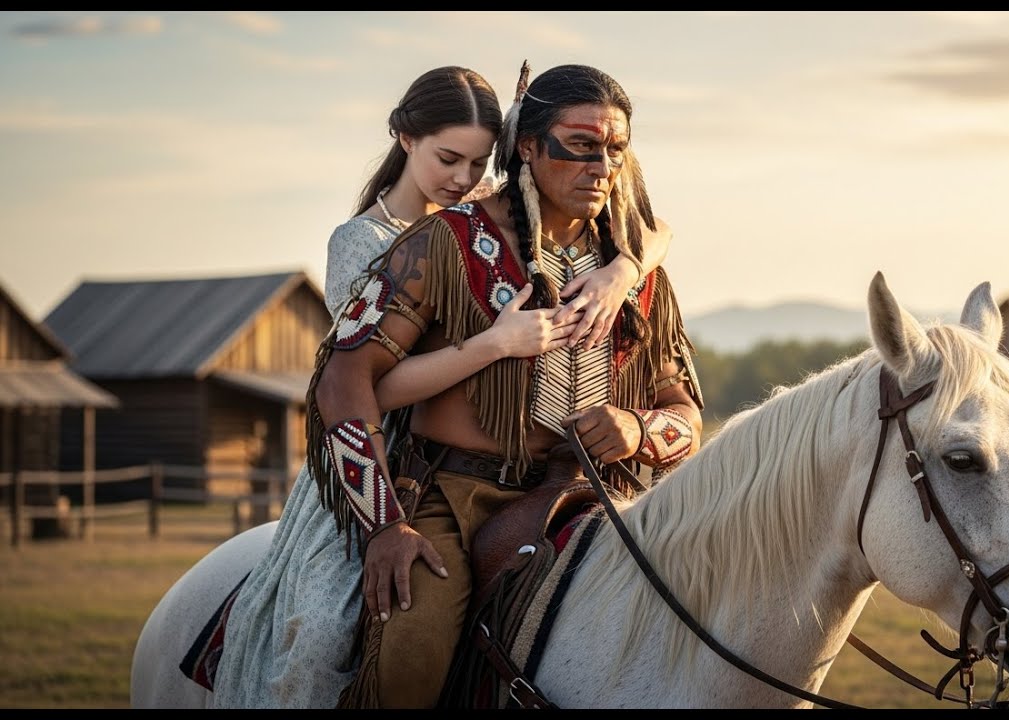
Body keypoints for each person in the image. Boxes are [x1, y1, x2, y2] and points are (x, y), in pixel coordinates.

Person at [209, 64, 675, 709]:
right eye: (580, 146)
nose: (602, 168)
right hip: (444, 487)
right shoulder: (437, 242)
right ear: (529, 147)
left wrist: (640, 426)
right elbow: (345, 378)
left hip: (588, 490)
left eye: (616, 150)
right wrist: (383, 525)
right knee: (382, 654)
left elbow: (683, 405)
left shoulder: (631, 267)